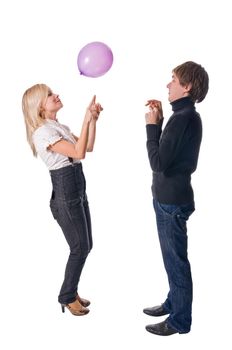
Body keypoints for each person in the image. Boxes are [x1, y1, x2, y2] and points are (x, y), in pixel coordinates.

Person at [22, 84, 103, 316]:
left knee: (86, 245)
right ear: (39, 106)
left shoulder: (58, 127)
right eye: (49, 95)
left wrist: (92, 120)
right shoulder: (42, 133)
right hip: (66, 189)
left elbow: (87, 146)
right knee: (79, 247)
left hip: (77, 186)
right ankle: (66, 296)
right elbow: (78, 153)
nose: (55, 95)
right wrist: (85, 118)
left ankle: (72, 291)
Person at [143, 61, 209, 336]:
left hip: (171, 203)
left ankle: (180, 320)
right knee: (171, 259)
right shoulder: (183, 116)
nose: (168, 85)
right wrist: (159, 120)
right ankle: (174, 302)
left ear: (187, 86)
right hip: (167, 199)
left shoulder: (183, 119)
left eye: (173, 80)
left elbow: (157, 163)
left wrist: (150, 126)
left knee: (176, 262)